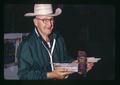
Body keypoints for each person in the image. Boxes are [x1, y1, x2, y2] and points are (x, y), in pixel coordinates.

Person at [17, 4, 94, 80]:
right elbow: (24, 75)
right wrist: (51, 75)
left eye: (51, 19)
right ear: (35, 22)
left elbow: (64, 60)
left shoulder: (58, 38)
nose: (50, 24)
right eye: (45, 20)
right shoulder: (27, 45)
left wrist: (77, 66)